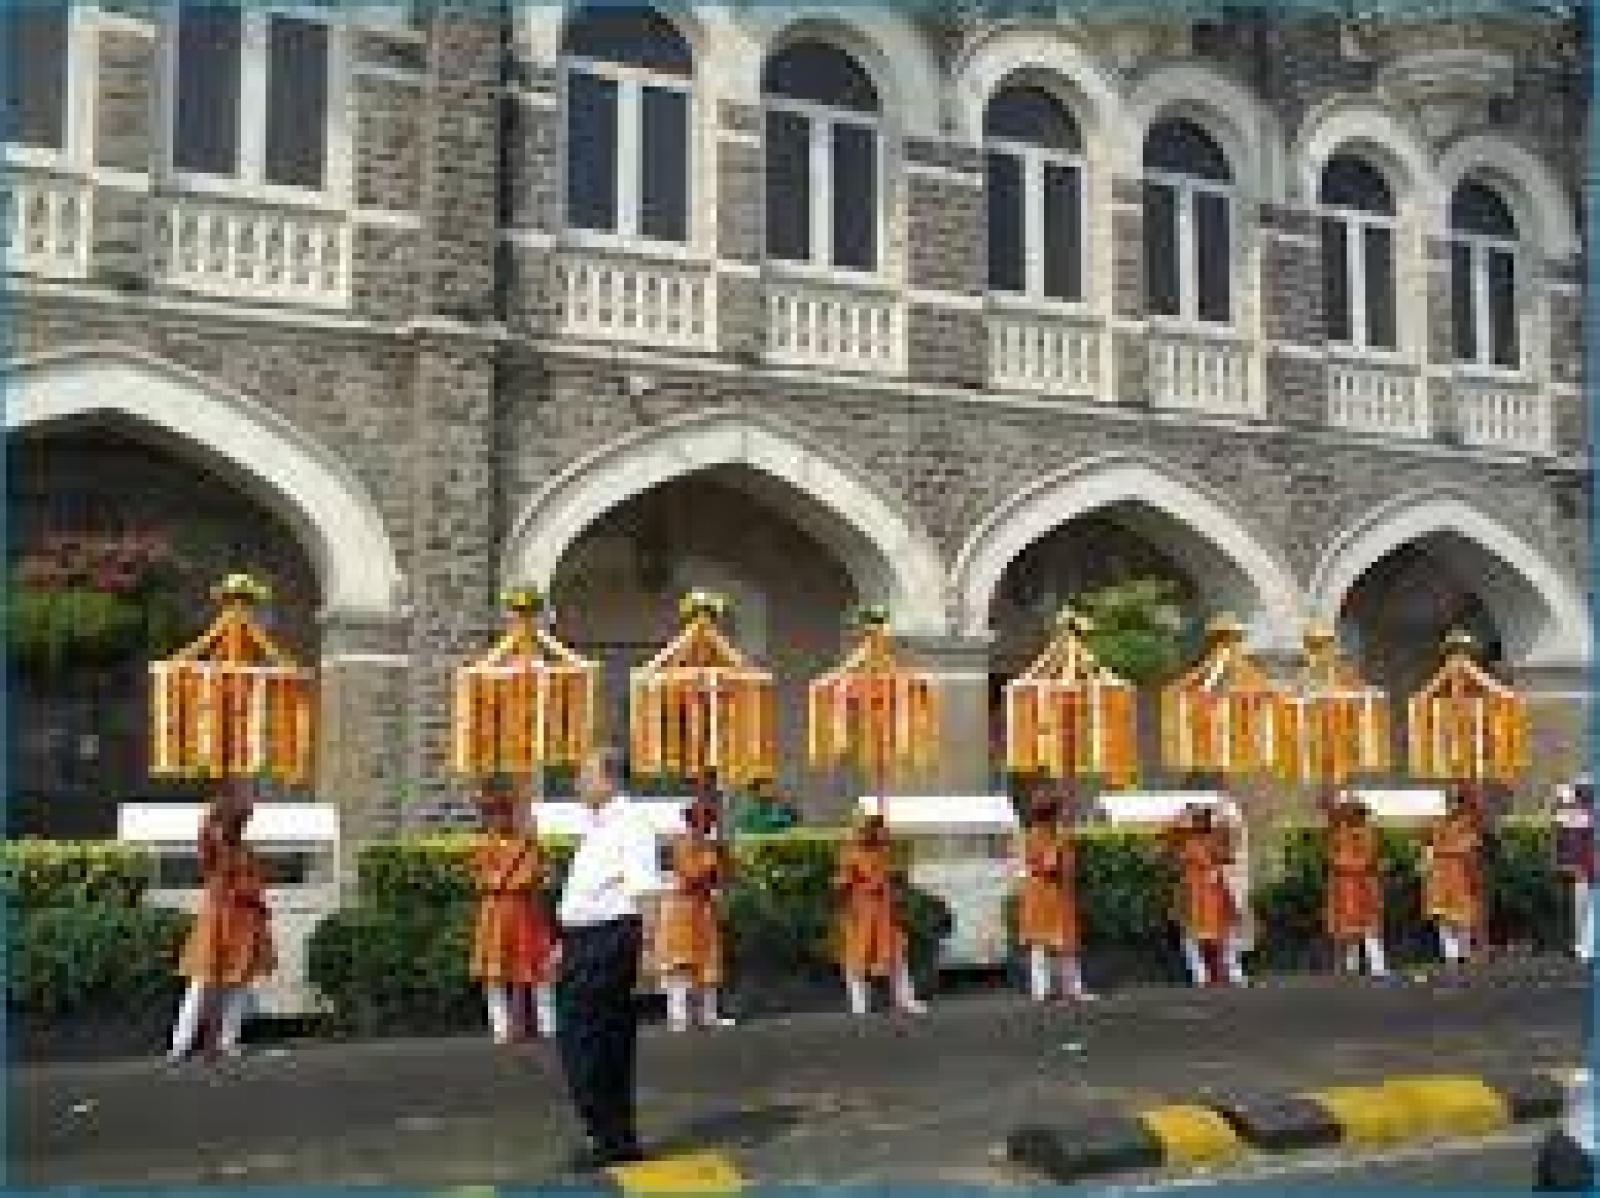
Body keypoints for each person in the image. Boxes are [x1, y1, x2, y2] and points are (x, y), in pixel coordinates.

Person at [555, 747, 663, 1170]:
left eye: (585, 776)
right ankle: (614, 1137)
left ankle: (607, 1134)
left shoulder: (630, 823)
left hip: (609, 940)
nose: (578, 784)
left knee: (587, 1038)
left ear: (609, 779)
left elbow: (645, 890)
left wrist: (649, 949)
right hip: (585, 939)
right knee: (600, 1039)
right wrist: (565, 940)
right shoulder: (598, 825)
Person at [168, 786, 275, 1062]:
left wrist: (257, 908)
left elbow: (255, 885)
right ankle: (183, 1044)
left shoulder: (244, 851)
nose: (243, 824)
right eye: (241, 819)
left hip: (242, 922)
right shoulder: (218, 846)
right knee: (203, 982)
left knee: (237, 983)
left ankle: (222, 1041)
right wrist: (216, 813)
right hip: (222, 921)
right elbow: (206, 846)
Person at [468, 785, 557, 1044]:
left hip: (525, 914)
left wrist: (501, 881)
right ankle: (500, 1028)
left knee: (539, 970)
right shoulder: (485, 845)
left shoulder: (529, 845)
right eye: (493, 813)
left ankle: (548, 1025)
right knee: (494, 975)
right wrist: (499, 881)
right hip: (494, 915)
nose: (498, 819)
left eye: (503, 812)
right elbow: (480, 877)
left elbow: (530, 875)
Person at [834, 812, 926, 1016]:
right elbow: (841, 884)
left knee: (896, 955)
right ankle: (859, 1003)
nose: (884, 832)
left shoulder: (885, 852)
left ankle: (905, 999)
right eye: (879, 829)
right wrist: (862, 887)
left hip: (885, 912)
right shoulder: (851, 853)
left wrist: (895, 887)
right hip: (862, 913)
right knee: (857, 958)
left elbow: (895, 879)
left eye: (883, 829)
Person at [656, 796, 734, 1031]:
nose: (706, 825)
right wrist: (711, 868)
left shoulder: (710, 846)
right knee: (681, 964)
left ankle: (708, 1015)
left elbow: (721, 877)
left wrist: (720, 863)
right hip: (681, 909)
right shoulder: (682, 844)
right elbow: (692, 875)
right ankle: (679, 1017)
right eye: (702, 820)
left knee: (709, 963)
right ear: (691, 821)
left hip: (703, 908)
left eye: (709, 820)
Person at [1015, 791, 1094, 1002]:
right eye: (1056, 811)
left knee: (1052, 944)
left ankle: (1053, 990)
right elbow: (1049, 867)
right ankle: (1057, 990)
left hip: (1047, 895)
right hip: (1047, 895)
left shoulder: (1041, 836)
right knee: (1052, 944)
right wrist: (1060, 849)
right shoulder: (1041, 837)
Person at [1163, 803, 1242, 988]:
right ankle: (1201, 974)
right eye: (1196, 817)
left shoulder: (1215, 837)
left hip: (1215, 894)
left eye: (1203, 816)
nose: (1200, 821)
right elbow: (1170, 852)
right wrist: (1179, 819)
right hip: (1192, 894)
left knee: (1225, 934)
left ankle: (1230, 972)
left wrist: (1225, 824)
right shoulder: (1182, 838)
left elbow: (1228, 855)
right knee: (1192, 935)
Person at [1323, 791, 1389, 979]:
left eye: (1352, 811)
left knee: (1369, 926)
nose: (1348, 814)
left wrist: (1344, 864)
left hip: (1363, 885)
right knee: (1347, 928)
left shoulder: (1367, 833)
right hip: (1344, 887)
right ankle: (1352, 967)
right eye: (1346, 811)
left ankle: (1377, 966)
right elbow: (1331, 856)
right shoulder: (1338, 833)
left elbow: (1368, 858)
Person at [1423, 786, 1484, 967]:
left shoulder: (1456, 823)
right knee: (1451, 916)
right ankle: (1455, 954)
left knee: (1457, 916)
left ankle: (1457, 953)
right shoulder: (1443, 823)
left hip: (1451, 873)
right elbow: (1430, 848)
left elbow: (1430, 849)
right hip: (1449, 874)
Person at [1554, 780, 1595, 963]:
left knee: (1583, 907)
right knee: (1582, 906)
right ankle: (1583, 947)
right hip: (1585, 869)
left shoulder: (1574, 815)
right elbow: (1566, 841)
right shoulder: (1574, 815)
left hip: (1585, 869)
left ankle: (1583, 947)